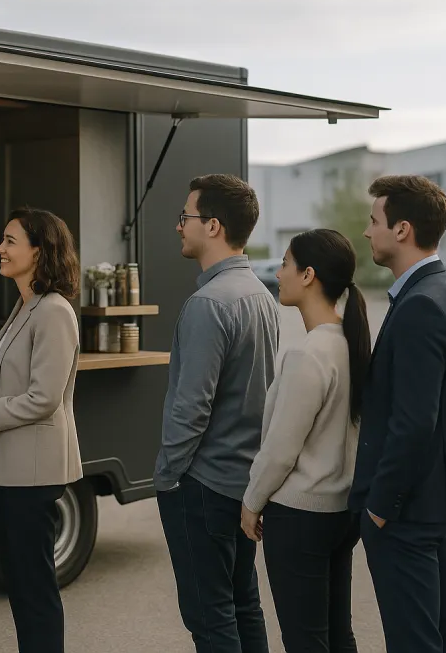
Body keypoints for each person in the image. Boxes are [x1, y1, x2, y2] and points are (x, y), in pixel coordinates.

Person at [350, 175, 446, 653]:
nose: (368, 231)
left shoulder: (422, 303)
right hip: (436, 503)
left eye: (374, 221)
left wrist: (379, 508)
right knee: (443, 629)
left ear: (402, 229)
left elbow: (413, 423)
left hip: (408, 509)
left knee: (415, 639)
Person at [154, 174, 278, 653]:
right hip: (244, 482)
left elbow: (191, 407)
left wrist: (167, 476)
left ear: (213, 226)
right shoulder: (261, 295)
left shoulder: (207, 303)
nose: (178, 226)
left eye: (185, 216)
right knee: (243, 605)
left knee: (210, 619)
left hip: (203, 486)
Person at [0, 207, 82, 653]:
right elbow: (18, 380)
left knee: (33, 588)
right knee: (23, 584)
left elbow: (44, 398)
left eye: (10, 241)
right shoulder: (27, 305)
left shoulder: (53, 312)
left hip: (34, 472)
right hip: (15, 470)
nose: (0, 249)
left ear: (39, 251)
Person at [240, 229, 371, 653]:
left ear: (308, 275)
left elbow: (281, 450)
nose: (278, 274)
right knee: (337, 634)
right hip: (342, 512)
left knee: (305, 640)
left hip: (300, 517)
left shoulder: (308, 354)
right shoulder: (352, 345)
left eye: (285, 264)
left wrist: (251, 503)